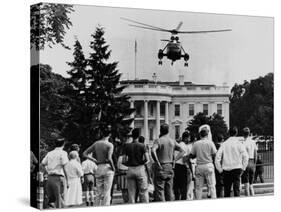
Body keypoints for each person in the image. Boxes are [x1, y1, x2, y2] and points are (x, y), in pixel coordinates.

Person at [151, 124, 185, 202]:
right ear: (168, 130)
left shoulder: (158, 140)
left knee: (160, 191)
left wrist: (157, 162)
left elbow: (153, 150)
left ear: (160, 130)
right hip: (170, 166)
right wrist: (174, 160)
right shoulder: (172, 141)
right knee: (169, 190)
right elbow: (183, 151)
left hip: (161, 166)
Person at [83, 127, 115, 206]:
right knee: (107, 192)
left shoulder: (96, 143)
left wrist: (94, 160)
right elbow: (109, 158)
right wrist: (113, 168)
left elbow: (84, 153)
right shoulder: (109, 145)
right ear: (110, 134)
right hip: (107, 167)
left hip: (99, 167)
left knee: (98, 192)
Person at [215, 127, 248, 197]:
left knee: (227, 191)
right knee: (236, 190)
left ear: (229, 133)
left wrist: (220, 170)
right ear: (236, 133)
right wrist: (243, 168)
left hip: (226, 170)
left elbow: (217, 158)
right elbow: (246, 156)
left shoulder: (224, 144)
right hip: (237, 168)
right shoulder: (239, 143)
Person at [122, 128, 150, 203]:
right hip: (140, 168)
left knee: (131, 194)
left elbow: (123, 160)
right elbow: (147, 159)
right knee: (143, 192)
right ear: (138, 135)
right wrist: (141, 162)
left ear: (132, 136)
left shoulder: (127, 146)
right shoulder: (142, 146)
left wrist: (129, 164)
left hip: (130, 169)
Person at [41, 135, 69, 208]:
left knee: (52, 200)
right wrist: (68, 180)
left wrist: (47, 171)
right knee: (60, 199)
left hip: (50, 178)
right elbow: (65, 167)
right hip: (59, 178)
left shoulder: (49, 153)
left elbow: (43, 163)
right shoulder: (63, 153)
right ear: (63, 144)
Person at [190, 126, 217, 199]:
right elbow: (215, 154)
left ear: (200, 135)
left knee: (198, 188)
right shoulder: (210, 143)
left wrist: (198, 154)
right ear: (207, 135)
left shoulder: (196, 143)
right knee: (212, 186)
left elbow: (192, 155)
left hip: (199, 166)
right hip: (208, 165)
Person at [173, 131, 192, 200]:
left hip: (175, 167)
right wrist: (188, 166)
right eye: (189, 138)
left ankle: (176, 199)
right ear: (186, 138)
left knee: (176, 186)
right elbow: (184, 159)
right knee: (183, 186)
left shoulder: (177, 145)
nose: (189, 140)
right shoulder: (185, 146)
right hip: (182, 167)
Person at [241, 127, 258, 196]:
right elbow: (256, 155)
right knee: (251, 185)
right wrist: (255, 164)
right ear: (249, 133)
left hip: (246, 162)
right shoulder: (253, 142)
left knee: (246, 186)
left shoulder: (242, 142)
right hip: (252, 162)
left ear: (243, 134)